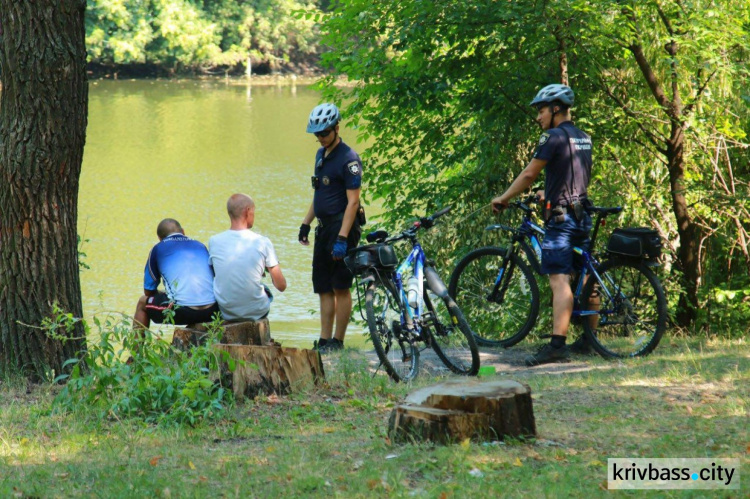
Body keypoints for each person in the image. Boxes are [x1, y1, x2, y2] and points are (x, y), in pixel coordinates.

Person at [491, 84, 593, 366]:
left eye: (541, 110)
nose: (538, 116)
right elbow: (575, 175)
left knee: (559, 279)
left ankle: (557, 347)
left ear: (556, 109)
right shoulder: (583, 137)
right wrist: (548, 193)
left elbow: (528, 174)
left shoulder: (552, 137)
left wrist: (504, 197)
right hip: (582, 213)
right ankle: (589, 340)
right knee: (586, 274)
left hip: (561, 220)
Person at [298, 103, 362, 353]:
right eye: (317, 135)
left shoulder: (349, 159)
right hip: (323, 228)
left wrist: (343, 238)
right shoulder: (320, 156)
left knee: (340, 285)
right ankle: (324, 341)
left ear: (336, 128)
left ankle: (338, 341)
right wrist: (306, 222)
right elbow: (319, 194)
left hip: (342, 226)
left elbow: (353, 202)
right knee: (323, 285)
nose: (321, 138)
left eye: (324, 133)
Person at [208, 194, 287, 321]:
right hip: (256, 312)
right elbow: (281, 286)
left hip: (225, 311)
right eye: (253, 212)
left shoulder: (214, 241)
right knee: (265, 290)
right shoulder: (263, 242)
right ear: (248, 211)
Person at [133, 218, 219, 332]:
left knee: (142, 302)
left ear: (160, 238)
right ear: (183, 231)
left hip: (183, 311)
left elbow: (148, 291)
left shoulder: (158, 249)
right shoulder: (200, 246)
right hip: (213, 310)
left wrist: (163, 293)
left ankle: (137, 349)